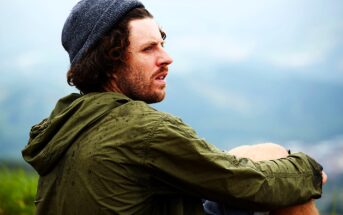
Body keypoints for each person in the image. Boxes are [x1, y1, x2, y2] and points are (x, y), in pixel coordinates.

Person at [22, 0, 327, 214]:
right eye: (148, 49)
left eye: (162, 44)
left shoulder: (69, 121)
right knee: (287, 179)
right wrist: (309, 172)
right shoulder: (142, 129)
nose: (167, 58)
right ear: (110, 63)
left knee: (259, 155)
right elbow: (250, 187)